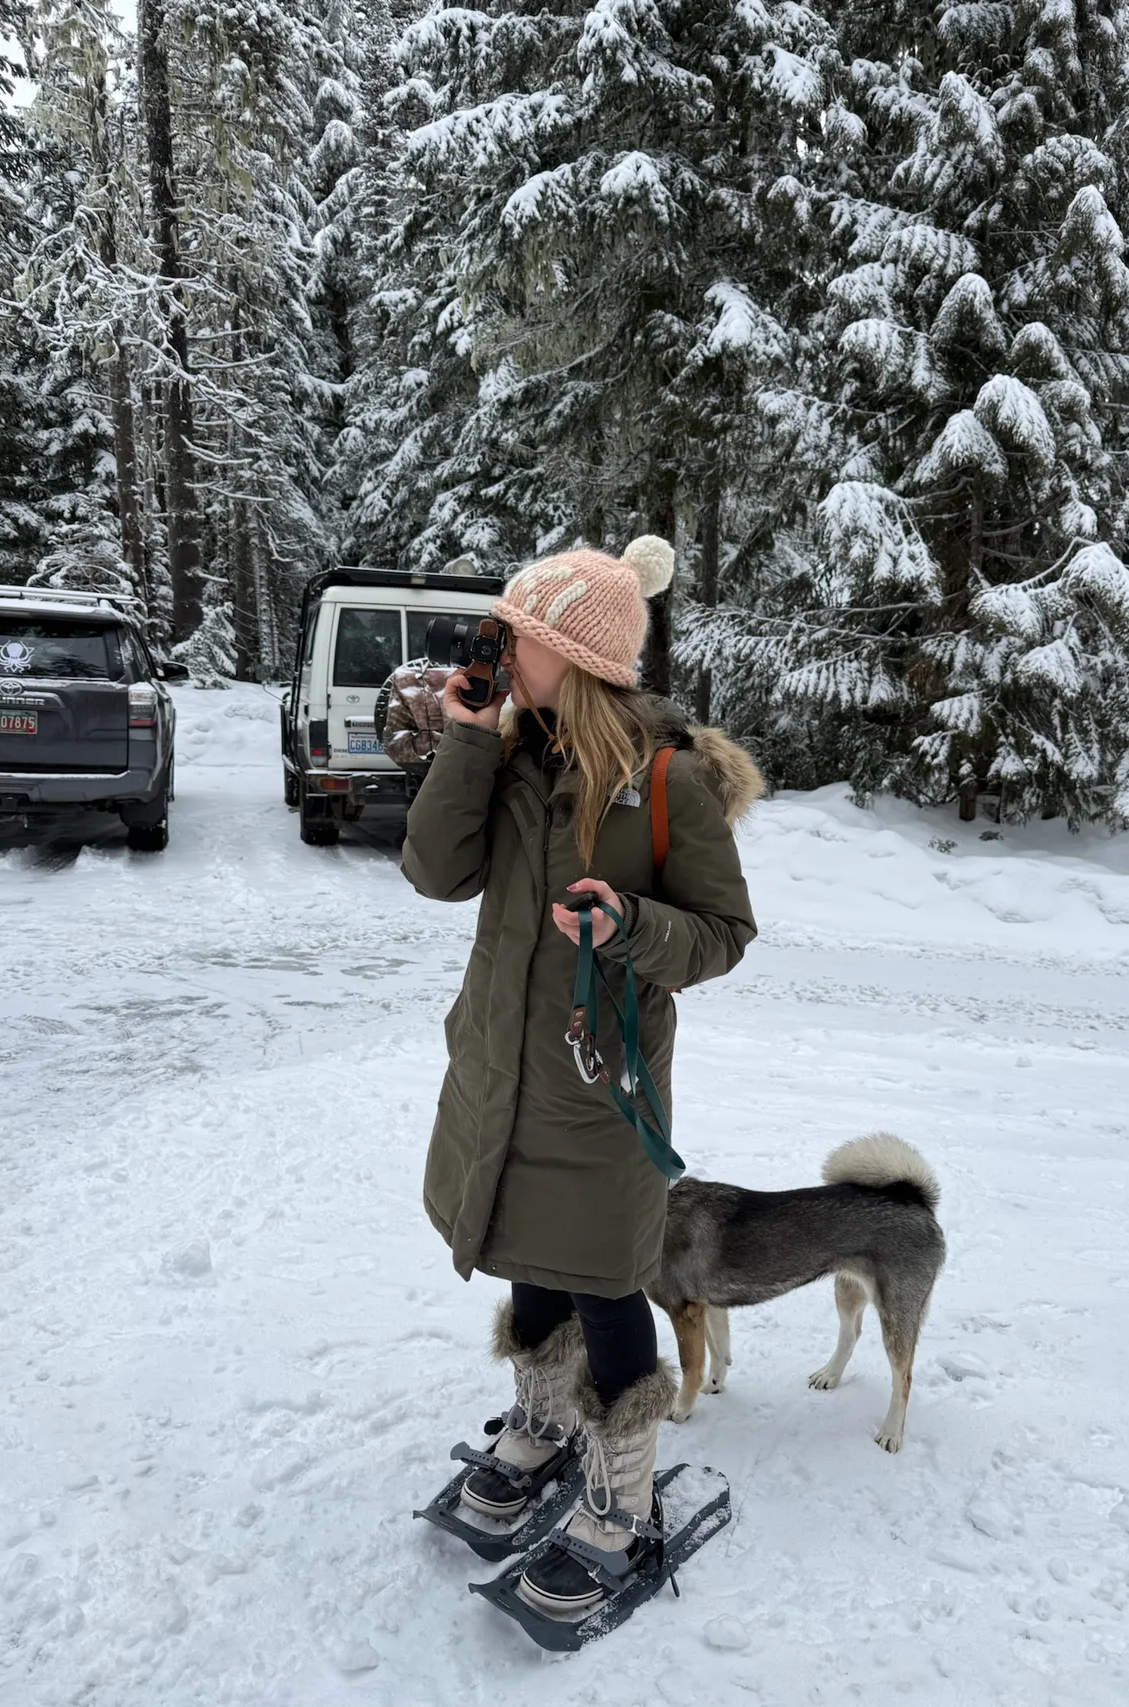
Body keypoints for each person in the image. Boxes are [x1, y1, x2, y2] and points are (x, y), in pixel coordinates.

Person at [402, 534, 760, 1615]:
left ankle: (624, 1488)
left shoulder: (665, 781)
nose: (501, 649)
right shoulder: (509, 756)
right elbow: (433, 871)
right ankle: (545, 1420)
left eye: (520, 636)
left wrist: (631, 924)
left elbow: (721, 934)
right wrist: (465, 741)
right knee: (524, 1243)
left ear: (577, 655)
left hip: (599, 1084)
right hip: (498, 1066)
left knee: (603, 1276)